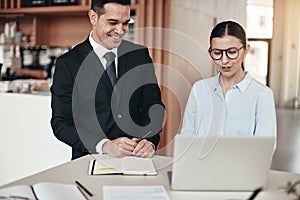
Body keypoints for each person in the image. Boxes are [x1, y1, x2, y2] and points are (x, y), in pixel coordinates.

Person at [51, 0, 165, 160]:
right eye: (113, 22)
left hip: (135, 161)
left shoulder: (139, 55)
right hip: (89, 160)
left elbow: (154, 107)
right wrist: (104, 145)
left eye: (126, 23)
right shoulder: (68, 64)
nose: (120, 30)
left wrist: (149, 141)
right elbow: (61, 123)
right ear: (93, 17)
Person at [181, 21, 276, 138]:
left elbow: (264, 148)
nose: (224, 60)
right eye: (217, 53)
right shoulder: (199, 89)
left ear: (246, 50)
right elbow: (187, 135)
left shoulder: (262, 95)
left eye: (232, 52)